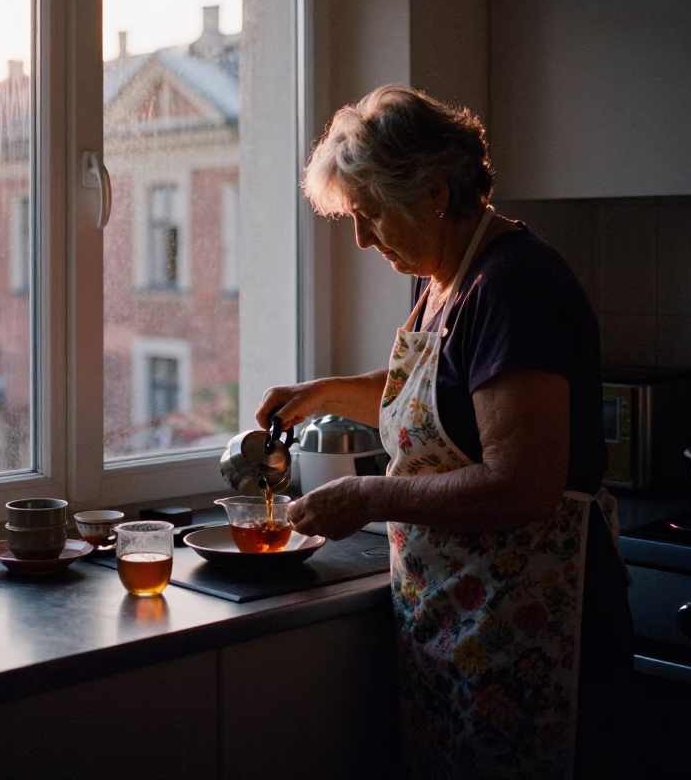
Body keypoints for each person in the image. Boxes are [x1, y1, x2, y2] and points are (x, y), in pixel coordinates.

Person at [256, 85, 632, 780]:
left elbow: (520, 486)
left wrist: (366, 497)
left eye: (369, 216)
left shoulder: (514, 285)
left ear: (432, 192)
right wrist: (325, 395)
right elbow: (441, 401)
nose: (363, 240)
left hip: (539, 633)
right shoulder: (443, 282)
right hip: (468, 624)